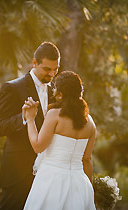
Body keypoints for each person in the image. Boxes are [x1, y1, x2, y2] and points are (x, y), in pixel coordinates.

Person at [0, 42, 60, 210]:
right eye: (47, 69)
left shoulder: (56, 91)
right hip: (18, 170)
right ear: (34, 62)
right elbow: (0, 127)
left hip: (48, 170)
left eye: (56, 69)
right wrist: (24, 117)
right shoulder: (12, 88)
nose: (52, 74)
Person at [23, 71, 96, 210]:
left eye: (55, 88)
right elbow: (87, 159)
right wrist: (90, 189)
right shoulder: (90, 122)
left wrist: (30, 119)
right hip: (80, 184)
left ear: (60, 94)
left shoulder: (55, 114)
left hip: (51, 181)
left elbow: (38, 147)